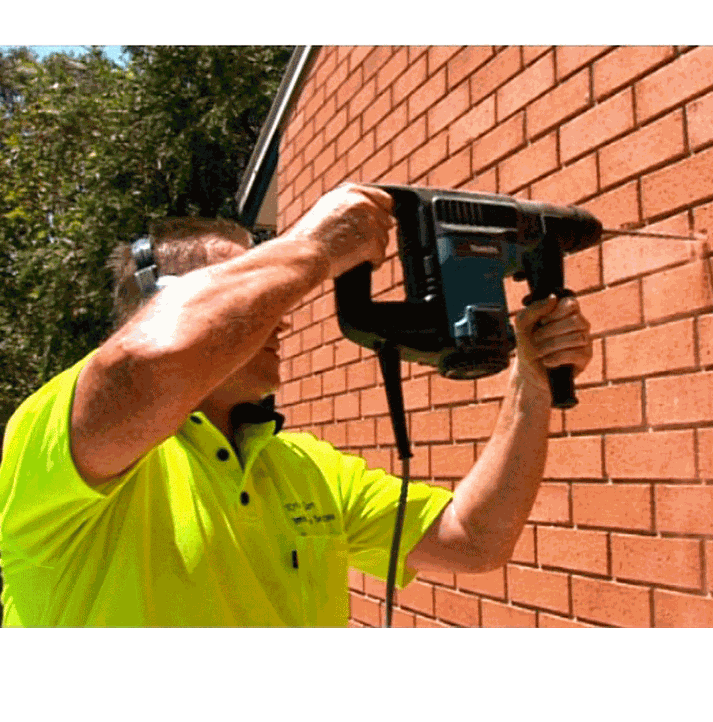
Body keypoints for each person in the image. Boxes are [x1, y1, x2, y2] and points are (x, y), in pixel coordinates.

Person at [0, 183, 593, 626]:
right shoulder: (56, 439)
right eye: (249, 282)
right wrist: (308, 247)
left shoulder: (307, 470)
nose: (278, 310)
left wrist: (530, 385)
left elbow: (473, 538)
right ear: (159, 305)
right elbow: (145, 366)